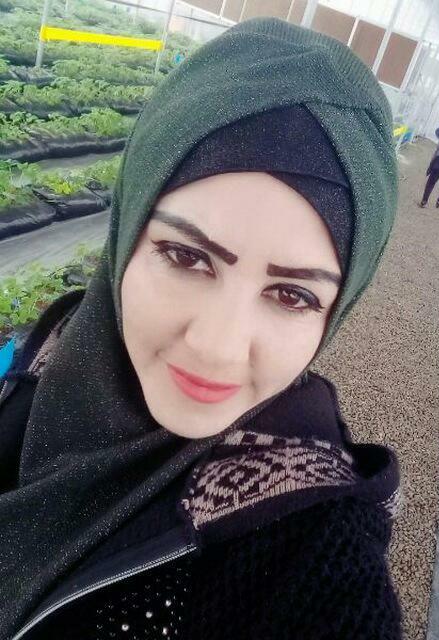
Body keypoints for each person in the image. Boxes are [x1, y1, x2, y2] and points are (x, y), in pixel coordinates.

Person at [0, 18, 402, 640]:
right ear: (128, 233)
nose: (216, 347)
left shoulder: (313, 554)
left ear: (336, 310)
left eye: (292, 295)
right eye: (187, 257)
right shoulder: (29, 364)